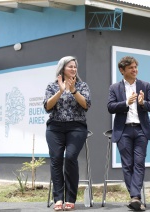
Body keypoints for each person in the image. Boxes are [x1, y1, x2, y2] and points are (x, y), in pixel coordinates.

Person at [107, 56, 150, 211]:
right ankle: (135, 197)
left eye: (136, 67)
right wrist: (125, 103)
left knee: (139, 163)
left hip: (141, 129)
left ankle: (135, 197)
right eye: (131, 68)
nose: (135, 70)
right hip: (124, 130)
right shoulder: (114, 88)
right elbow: (110, 107)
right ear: (122, 70)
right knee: (127, 164)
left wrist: (142, 103)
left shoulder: (145, 85)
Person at [43, 56, 91, 211]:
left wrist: (73, 91)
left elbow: (86, 105)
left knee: (70, 157)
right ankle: (58, 199)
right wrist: (61, 91)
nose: (74, 69)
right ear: (62, 68)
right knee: (56, 159)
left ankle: (70, 198)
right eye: (70, 66)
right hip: (55, 127)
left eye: (75, 67)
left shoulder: (82, 85)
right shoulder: (52, 86)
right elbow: (47, 107)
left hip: (76, 126)